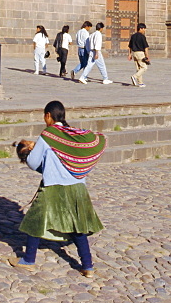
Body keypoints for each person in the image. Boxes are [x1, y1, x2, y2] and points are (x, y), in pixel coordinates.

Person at [9, 100, 105, 276]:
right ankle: (88, 266)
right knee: (77, 227)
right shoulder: (73, 135)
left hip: (54, 186)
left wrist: (33, 152)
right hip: (77, 186)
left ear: (48, 116)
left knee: (35, 221)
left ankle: (28, 259)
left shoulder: (49, 134)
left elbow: (33, 162)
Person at [128, 23, 150, 87]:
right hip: (140, 53)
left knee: (138, 68)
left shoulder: (133, 36)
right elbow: (146, 47)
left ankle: (140, 82)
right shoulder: (142, 36)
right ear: (140, 29)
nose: (144, 30)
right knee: (144, 67)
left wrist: (129, 54)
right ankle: (134, 76)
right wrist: (147, 56)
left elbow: (130, 46)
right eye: (144, 29)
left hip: (134, 53)